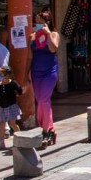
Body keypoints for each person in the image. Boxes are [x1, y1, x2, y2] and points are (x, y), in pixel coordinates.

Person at [28, 10, 60, 147]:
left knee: (43, 99)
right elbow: (29, 57)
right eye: (37, 21)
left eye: (41, 21)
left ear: (47, 22)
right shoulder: (32, 37)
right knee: (40, 100)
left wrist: (47, 33)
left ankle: (45, 129)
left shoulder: (53, 34)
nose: (38, 24)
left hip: (49, 71)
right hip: (36, 71)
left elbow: (54, 49)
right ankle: (50, 127)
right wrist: (25, 74)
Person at [0, 66, 22, 150]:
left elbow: (20, 91)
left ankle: (20, 139)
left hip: (11, 106)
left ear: (8, 75)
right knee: (1, 124)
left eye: (3, 75)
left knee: (12, 123)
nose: (2, 77)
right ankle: (1, 143)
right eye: (1, 75)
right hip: (2, 107)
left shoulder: (13, 83)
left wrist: (17, 93)